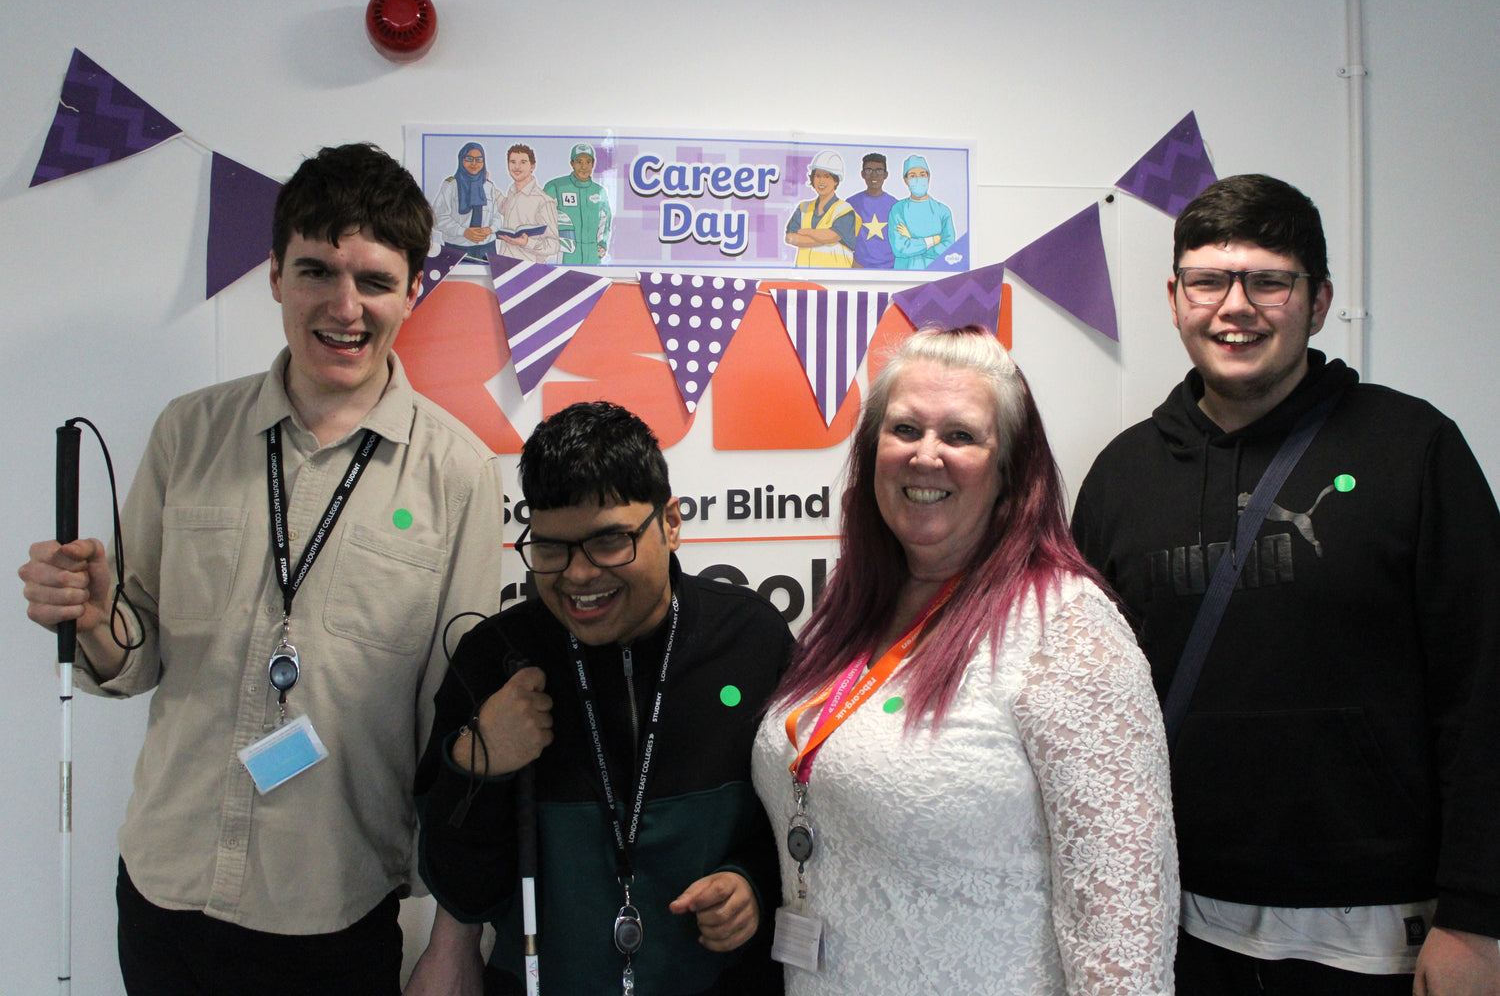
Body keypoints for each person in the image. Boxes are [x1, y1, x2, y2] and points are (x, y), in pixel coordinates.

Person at [16, 142, 506, 995]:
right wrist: (95, 623)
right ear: (276, 275)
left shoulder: (457, 474)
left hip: (335, 905)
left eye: (375, 281)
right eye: (316, 271)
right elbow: (136, 653)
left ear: (412, 293)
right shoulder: (188, 434)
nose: (344, 307)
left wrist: (454, 931)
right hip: (167, 888)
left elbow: (451, 713)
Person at [1070, 173, 1500, 995]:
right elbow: (1087, 713)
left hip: (1380, 934)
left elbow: (1485, 687)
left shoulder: (1413, 450)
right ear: (1175, 297)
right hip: (1176, 923)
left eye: (1269, 279)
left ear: (1318, 299)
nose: (1236, 306)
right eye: (1209, 280)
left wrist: (1478, 918)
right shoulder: (1121, 476)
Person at [751, 326, 1178, 995]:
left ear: (1010, 471)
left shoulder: (1065, 628)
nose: (926, 456)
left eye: (960, 436)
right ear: (871, 456)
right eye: (904, 430)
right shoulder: (853, 610)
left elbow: (1123, 925)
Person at [412, 401, 791, 995]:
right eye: (551, 549)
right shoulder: (495, 659)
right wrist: (479, 761)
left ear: (669, 523)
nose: (578, 575)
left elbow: (800, 824)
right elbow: (462, 892)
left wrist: (752, 882)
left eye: (610, 541)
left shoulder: (750, 638)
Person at [432, 141, 503, 261]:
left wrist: (489, 230)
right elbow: (437, 218)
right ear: (461, 159)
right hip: (457, 247)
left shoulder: (488, 186)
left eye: (479, 159)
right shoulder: (450, 185)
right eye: (469, 158)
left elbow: (497, 217)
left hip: (487, 247)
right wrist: (463, 232)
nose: (474, 163)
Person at [543, 141, 612, 265]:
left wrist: (602, 244)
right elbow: (541, 214)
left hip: (592, 253)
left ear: (593, 164)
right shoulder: (557, 186)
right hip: (566, 251)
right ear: (572, 163)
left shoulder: (599, 191)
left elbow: (605, 220)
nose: (584, 166)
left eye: (588, 162)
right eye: (579, 161)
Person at [784, 149, 856, 268]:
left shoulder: (844, 209)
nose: (821, 181)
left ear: (836, 181)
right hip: (805, 278)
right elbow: (790, 238)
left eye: (827, 176)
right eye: (817, 176)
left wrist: (805, 231)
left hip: (834, 279)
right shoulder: (803, 207)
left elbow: (832, 236)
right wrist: (824, 238)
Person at [494, 143, 562, 264]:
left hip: (529, 271)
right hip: (504, 265)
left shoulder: (544, 201)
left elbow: (554, 245)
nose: (516, 167)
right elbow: (503, 206)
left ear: (532, 166)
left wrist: (527, 243)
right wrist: (488, 185)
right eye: (513, 162)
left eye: (523, 162)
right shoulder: (512, 192)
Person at [888, 154, 955, 270]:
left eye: (922, 175)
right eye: (912, 176)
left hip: (935, 274)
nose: (918, 179)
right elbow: (900, 248)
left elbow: (948, 247)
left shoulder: (942, 210)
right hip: (904, 274)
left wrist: (913, 241)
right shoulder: (898, 210)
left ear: (928, 177)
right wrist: (932, 240)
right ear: (906, 180)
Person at [845, 152, 896, 270]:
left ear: (885, 175)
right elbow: (842, 241)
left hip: (891, 271)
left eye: (879, 171)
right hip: (859, 270)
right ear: (862, 174)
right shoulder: (850, 204)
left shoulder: (896, 206)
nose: (874, 175)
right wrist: (854, 265)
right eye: (869, 170)